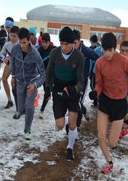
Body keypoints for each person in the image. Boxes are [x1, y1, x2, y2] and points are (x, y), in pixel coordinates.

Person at [93, 32, 128, 174]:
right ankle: (109, 162)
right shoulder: (99, 62)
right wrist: (96, 92)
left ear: (115, 48)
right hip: (105, 102)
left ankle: (124, 124)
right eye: (104, 50)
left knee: (112, 142)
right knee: (101, 136)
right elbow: (99, 83)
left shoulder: (124, 61)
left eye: (110, 50)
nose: (107, 54)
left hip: (120, 104)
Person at [45, 27, 84, 160]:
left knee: (73, 125)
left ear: (73, 43)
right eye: (61, 43)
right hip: (58, 90)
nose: (63, 47)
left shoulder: (79, 57)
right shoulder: (55, 53)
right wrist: (48, 89)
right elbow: (49, 71)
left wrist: (74, 89)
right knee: (60, 125)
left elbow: (81, 80)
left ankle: (70, 148)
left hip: (72, 90)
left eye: (66, 44)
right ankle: (66, 117)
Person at [11, 28, 45, 140]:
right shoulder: (15, 49)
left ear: (29, 40)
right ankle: (23, 110)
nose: (22, 45)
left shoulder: (35, 54)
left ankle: (27, 129)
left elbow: (43, 74)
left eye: (24, 42)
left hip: (31, 82)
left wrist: (35, 85)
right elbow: (13, 62)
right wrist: (13, 76)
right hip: (20, 81)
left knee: (29, 106)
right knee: (21, 108)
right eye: (20, 42)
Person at [73, 29, 99, 125]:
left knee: (78, 102)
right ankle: (83, 112)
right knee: (73, 102)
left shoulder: (86, 51)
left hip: (83, 81)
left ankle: (77, 127)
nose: (73, 45)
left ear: (79, 41)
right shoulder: (70, 50)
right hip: (72, 81)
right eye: (71, 43)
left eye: (75, 43)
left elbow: (99, 60)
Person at [0, 25, 19, 109]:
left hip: (18, 66)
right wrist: (4, 58)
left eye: (14, 36)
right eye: (11, 35)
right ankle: (9, 100)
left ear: (18, 36)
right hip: (9, 64)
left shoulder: (21, 44)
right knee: (4, 79)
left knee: (15, 84)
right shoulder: (7, 44)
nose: (12, 38)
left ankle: (20, 102)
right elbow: (0, 54)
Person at [38, 33, 56, 118]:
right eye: (42, 42)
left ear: (49, 42)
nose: (44, 44)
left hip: (52, 75)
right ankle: (48, 96)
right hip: (44, 74)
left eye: (45, 42)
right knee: (47, 93)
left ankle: (42, 110)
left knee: (48, 92)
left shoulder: (54, 49)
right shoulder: (40, 50)